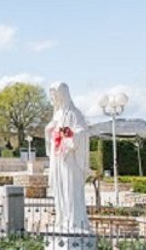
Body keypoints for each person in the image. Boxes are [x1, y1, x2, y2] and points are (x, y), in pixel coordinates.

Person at [44, 82, 91, 245]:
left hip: (70, 161)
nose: (53, 99)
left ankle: (75, 223)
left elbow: (82, 132)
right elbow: (52, 133)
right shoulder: (57, 114)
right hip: (58, 160)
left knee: (70, 192)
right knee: (60, 192)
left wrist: (67, 135)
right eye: (52, 96)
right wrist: (50, 131)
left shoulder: (73, 113)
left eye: (55, 96)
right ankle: (63, 220)